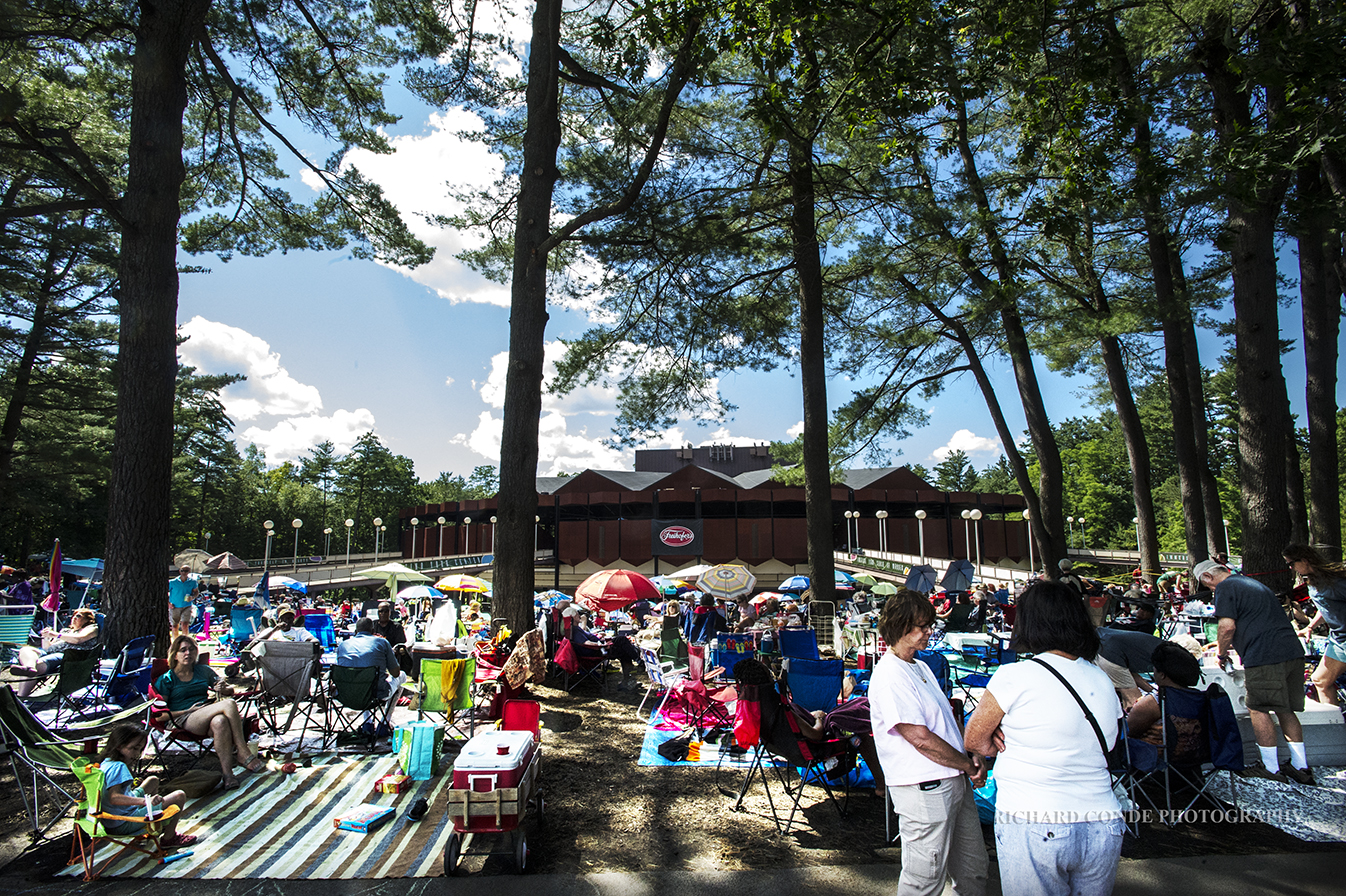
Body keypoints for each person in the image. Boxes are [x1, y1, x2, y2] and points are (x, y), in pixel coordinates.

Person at [964, 581, 1124, 896]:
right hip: (1103, 820)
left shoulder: (1015, 677)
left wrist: (1002, 734)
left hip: (1034, 818)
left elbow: (974, 741)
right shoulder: (1102, 679)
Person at [868, 588, 988, 896]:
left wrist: (969, 756)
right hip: (924, 787)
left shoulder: (918, 666)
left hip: (953, 778)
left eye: (929, 624)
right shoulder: (890, 674)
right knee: (924, 878)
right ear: (900, 626)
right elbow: (919, 737)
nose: (928, 632)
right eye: (922, 626)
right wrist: (966, 763)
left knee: (973, 870)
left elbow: (943, 724)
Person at [1194, 558, 1312, 784]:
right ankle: (1301, 767)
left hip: (1264, 656)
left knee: (1258, 708)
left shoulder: (1225, 587)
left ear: (1208, 577)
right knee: (1286, 708)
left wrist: (1221, 653)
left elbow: (1227, 626)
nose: (1209, 589)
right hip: (1292, 652)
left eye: (1206, 585)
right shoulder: (1251, 584)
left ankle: (1270, 768)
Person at [734, 657, 885, 793]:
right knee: (855, 721)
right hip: (815, 746)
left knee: (851, 709)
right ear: (766, 677)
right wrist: (819, 717)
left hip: (787, 746)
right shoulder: (780, 708)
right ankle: (881, 786)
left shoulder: (755, 707)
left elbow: (798, 727)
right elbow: (816, 734)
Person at [155, 635, 262, 790]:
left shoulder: (203, 670)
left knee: (220, 722)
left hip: (205, 713)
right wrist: (187, 710)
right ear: (175, 655)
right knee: (229, 704)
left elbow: (229, 690)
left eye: (191, 649)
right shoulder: (167, 679)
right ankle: (242, 750)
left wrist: (223, 688)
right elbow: (160, 715)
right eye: (183, 650)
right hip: (182, 718)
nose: (188, 653)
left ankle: (228, 774)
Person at [95, 724, 195, 846]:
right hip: (124, 822)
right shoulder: (119, 767)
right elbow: (114, 798)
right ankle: (169, 838)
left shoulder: (106, 763)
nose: (137, 754)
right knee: (179, 796)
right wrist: (145, 801)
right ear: (119, 746)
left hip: (113, 818)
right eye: (134, 748)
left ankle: (154, 822)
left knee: (152, 780)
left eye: (140, 749)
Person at [1283, 543, 1346, 708]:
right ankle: (1336, 729)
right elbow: (1326, 607)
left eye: (1291, 563)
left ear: (1304, 560)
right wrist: (1310, 626)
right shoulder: (1313, 581)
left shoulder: (1336, 582)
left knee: (1321, 681)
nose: (1291, 568)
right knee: (1320, 681)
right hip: (1338, 639)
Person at [1125, 641, 1205, 745]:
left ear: (1162, 675)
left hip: (1156, 757)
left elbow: (1128, 731)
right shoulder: (1197, 697)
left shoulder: (1155, 702)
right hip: (1194, 756)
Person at [10, 608, 101, 697]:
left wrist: (55, 634)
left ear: (88, 619)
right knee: (26, 649)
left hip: (68, 656)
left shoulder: (92, 628)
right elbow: (47, 648)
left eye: (78, 616)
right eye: (73, 616)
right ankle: (30, 667)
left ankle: (21, 698)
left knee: (35, 666)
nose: (74, 618)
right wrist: (46, 637)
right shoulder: (66, 631)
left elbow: (78, 640)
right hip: (50, 653)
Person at [569, 606, 641, 690]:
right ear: (573, 617)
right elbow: (586, 643)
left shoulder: (577, 629)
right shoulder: (575, 631)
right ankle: (638, 662)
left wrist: (601, 639)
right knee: (622, 640)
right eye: (578, 614)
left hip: (598, 648)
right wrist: (602, 645)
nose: (580, 616)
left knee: (623, 649)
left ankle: (627, 680)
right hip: (596, 651)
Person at [336, 616, 401, 699]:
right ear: (373, 631)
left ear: (355, 632)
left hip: (347, 695)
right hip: (375, 694)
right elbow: (396, 673)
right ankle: (388, 712)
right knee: (402, 676)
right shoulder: (382, 642)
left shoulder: (342, 645)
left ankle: (367, 712)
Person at [1094, 628, 1161, 709]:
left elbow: (1130, 675)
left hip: (1103, 649)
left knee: (1132, 699)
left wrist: (1152, 691)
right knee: (1134, 701)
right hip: (1107, 651)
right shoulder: (1172, 655)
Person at [168, 566, 199, 637]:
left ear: (189, 572)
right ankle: (176, 642)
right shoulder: (172, 582)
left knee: (185, 624)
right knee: (175, 626)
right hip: (174, 606)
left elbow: (196, 592)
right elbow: (165, 593)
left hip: (187, 606)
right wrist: (168, 603)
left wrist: (192, 597)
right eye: (182, 570)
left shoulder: (193, 582)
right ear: (179, 571)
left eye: (186, 571)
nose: (184, 572)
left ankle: (185, 641)